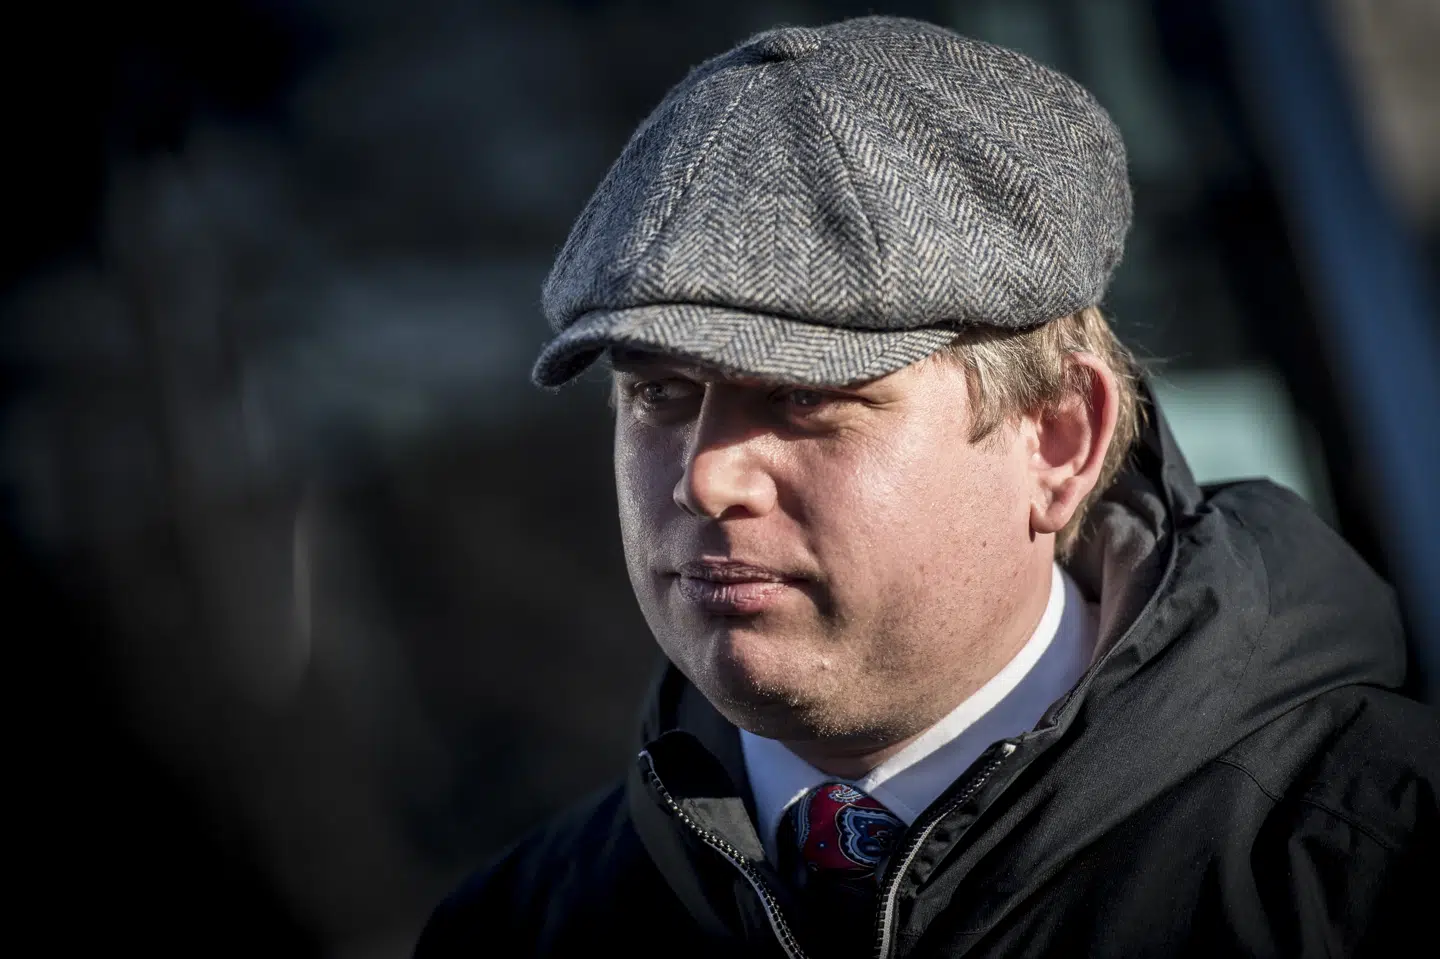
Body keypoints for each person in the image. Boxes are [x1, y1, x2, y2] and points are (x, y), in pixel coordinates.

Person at [416, 16, 1438, 958]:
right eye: (660, 395)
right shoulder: (514, 927)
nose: (711, 473)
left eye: (809, 398)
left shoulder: (1376, 861)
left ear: (1057, 437)